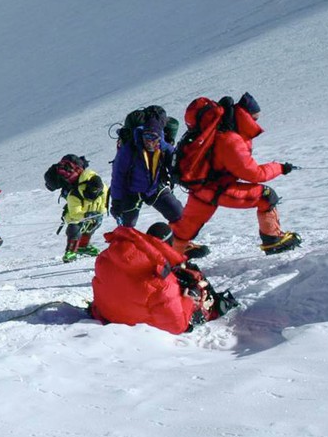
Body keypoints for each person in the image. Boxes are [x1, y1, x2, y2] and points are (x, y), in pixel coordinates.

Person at [170, 93, 302, 256]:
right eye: (255, 118)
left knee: (186, 226)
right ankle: (273, 240)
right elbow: (254, 174)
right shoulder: (229, 139)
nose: (256, 121)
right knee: (266, 196)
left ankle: (169, 255)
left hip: (200, 187)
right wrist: (280, 168)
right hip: (217, 189)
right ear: (246, 116)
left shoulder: (216, 133)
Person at [90, 222, 236, 334]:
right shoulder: (163, 281)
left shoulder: (107, 256)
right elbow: (178, 325)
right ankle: (216, 305)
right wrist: (186, 301)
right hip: (130, 322)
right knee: (195, 284)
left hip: (105, 313)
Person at [109, 107, 207, 257]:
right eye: (147, 137)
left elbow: (176, 163)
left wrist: (187, 178)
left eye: (154, 138)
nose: (150, 142)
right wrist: (116, 201)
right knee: (127, 225)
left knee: (178, 213)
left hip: (154, 187)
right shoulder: (129, 150)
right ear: (141, 134)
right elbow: (118, 176)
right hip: (130, 191)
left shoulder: (163, 146)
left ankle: (181, 245)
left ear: (160, 136)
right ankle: (124, 255)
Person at [45, 155, 108, 262]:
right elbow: (74, 213)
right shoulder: (75, 194)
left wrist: (100, 212)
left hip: (94, 212)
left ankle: (82, 246)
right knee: (75, 229)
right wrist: (86, 215)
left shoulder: (101, 187)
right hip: (79, 214)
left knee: (91, 228)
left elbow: (104, 201)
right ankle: (70, 251)